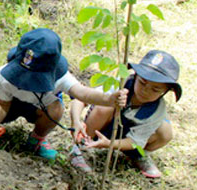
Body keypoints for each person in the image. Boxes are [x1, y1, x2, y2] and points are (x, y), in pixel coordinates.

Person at [0, 28, 127, 161]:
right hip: (10, 106)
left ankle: (37, 139)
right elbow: (2, 105)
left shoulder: (60, 77)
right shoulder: (7, 76)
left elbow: (83, 93)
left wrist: (109, 99)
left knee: (56, 108)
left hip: (38, 110)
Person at [69, 49, 182, 178]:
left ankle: (136, 155)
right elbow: (81, 99)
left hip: (128, 136)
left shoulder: (157, 109)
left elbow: (135, 141)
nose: (145, 90)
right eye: (142, 83)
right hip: (102, 126)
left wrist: (109, 144)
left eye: (155, 89)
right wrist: (76, 121)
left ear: (166, 91)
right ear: (136, 76)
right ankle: (81, 147)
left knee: (165, 132)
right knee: (105, 106)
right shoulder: (121, 84)